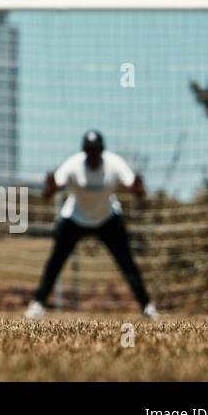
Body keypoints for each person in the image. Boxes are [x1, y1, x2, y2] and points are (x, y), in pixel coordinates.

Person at [26, 130, 158, 320]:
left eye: (96, 151)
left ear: (102, 151)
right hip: (75, 218)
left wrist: (138, 186)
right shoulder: (73, 165)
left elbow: (136, 190)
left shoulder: (114, 164)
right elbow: (50, 192)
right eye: (89, 151)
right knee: (54, 263)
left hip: (107, 217)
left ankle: (147, 307)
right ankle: (37, 304)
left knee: (127, 264)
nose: (93, 155)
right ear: (84, 152)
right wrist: (50, 187)